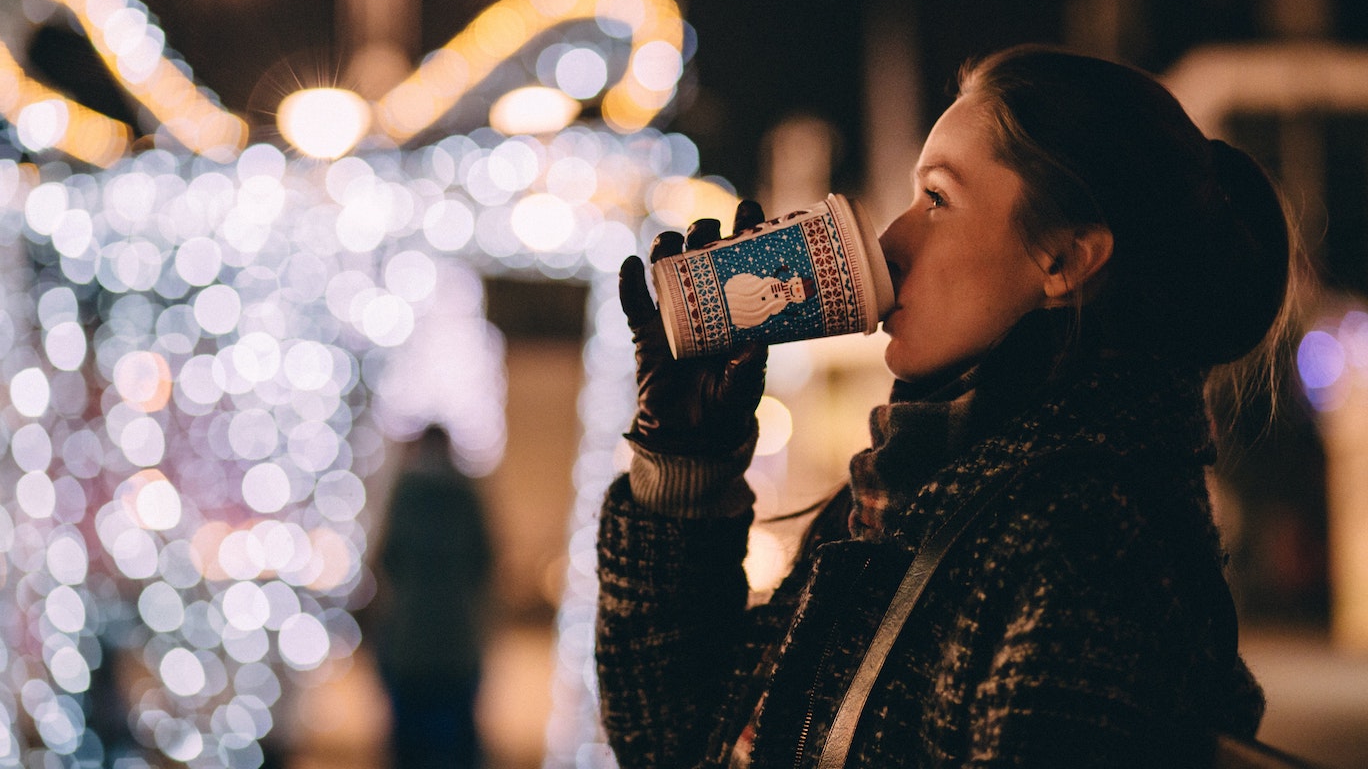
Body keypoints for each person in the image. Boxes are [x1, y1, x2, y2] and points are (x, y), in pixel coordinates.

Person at [595, 45, 1296, 767]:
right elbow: (673, 738)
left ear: (1065, 257)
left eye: (937, 198)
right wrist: (685, 459)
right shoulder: (911, 492)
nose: (892, 240)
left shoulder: (1088, 541)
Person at [365, 424, 494, 769]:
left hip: (410, 638)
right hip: (457, 637)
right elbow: (484, 560)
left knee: (411, 742)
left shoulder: (404, 494)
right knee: (455, 743)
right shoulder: (466, 495)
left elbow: (387, 558)